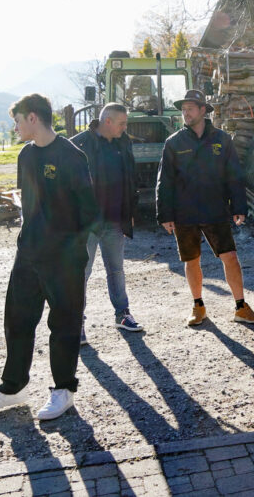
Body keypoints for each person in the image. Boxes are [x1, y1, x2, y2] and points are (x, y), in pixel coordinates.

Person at [0, 93, 98, 421]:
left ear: (32, 118)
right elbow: (29, 206)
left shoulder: (72, 156)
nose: (14, 127)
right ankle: (12, 387)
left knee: (64, 323)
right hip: (29, 253)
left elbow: (89, 212)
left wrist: (70, 251)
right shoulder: (26, 156)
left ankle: (63, 391)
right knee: (17, 319)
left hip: (64, 258)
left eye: (17, 120)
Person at [155, 89, 254, 327]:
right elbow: (165, 182)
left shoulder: (222, 140)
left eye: (190, 109)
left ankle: (241, 307)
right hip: (185, 213)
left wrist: (239, 206)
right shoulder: (173, 143)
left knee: (230, 257)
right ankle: (198, 306)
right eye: (183, 109)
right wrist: (164, 214)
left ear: (203, 110)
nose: (185, 113)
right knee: (191, 260)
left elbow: (234, 176)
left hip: (215, 210)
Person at [71, 103, 143, 342]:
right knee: (81, 273)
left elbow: (131, 177)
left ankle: (122, 315)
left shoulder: (124, 143)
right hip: (86, 224)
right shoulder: (78, 144)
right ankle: (75, 324)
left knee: (117, 269)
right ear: (108, 121)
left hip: (115, 220)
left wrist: (130, 210)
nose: (126, 128)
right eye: (122, 123)